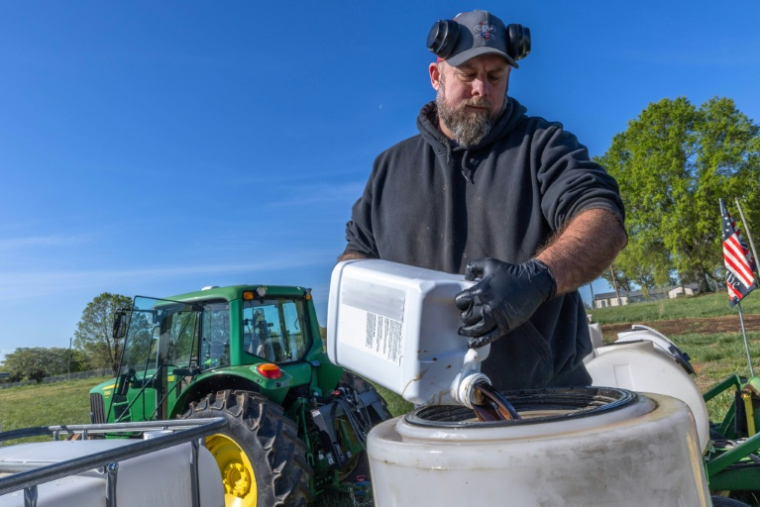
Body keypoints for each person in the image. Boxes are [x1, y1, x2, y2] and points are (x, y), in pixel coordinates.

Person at [339, 10, 627, 390]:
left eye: (495, 77)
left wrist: (537, 278)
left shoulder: (542, 145)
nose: (481, 89)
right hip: (428, 404)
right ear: (436, 76)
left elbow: (602, 218)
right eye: (467, 74)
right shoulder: (390, 168)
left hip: (546, 400)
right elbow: (355, 258)